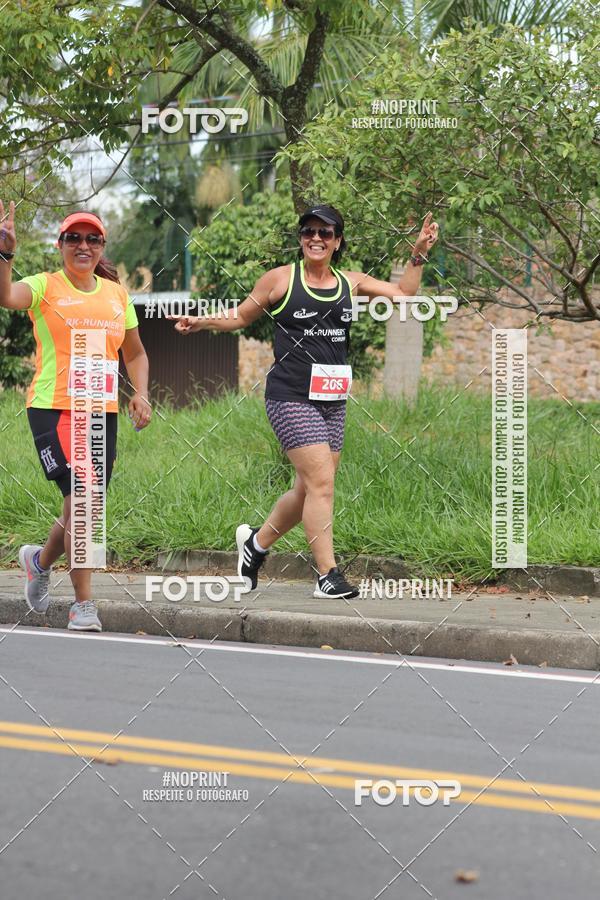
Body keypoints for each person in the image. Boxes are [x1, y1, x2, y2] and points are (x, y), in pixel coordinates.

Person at [171, 204, 438, 598]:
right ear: (300, 239)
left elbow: (404, 293)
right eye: (308, 231)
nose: (316, 238)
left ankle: (256, 545)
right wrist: (201, 321)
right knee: (322, 483)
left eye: (325, 232)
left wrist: (418, 252)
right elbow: (241, 316)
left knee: (307, 490)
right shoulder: (280, 279)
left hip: (333, 398)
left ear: (337, 242)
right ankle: (328, 575)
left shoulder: (351, 282)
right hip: (290, 396)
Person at [0, 201, 152, 631]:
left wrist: (141, 393)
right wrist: (5, 252)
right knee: (83, 503)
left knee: (80, 504)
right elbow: (5, 296)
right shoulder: (44, 286)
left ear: (102, 246)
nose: (83, 245)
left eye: (92, 239)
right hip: (53, 408)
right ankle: (83, 605)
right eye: (73, 238)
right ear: (60, 244)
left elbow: (135, 353)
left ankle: (39, 561)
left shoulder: (117, 295)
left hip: (100, 413)